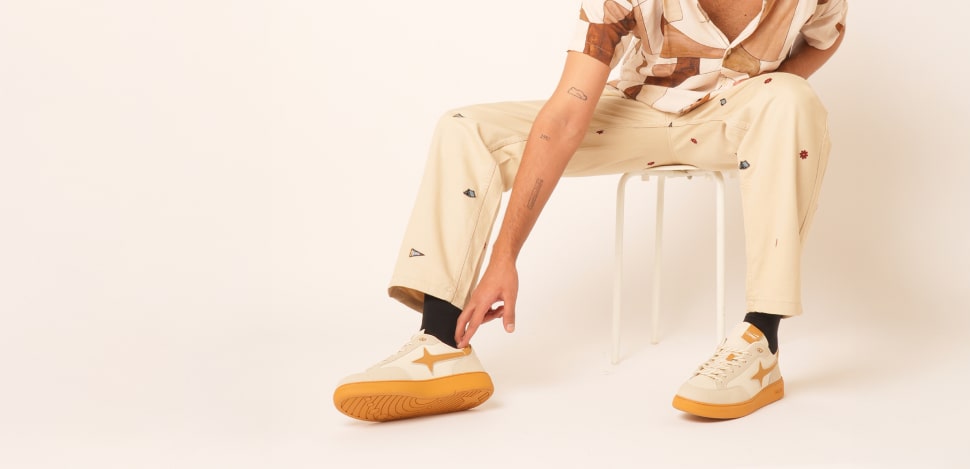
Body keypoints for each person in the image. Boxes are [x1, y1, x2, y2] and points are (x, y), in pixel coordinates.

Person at [332, 0, 847, 422]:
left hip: (729, 118)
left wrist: (765, 92)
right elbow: (565, 116)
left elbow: (827, 35)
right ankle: (442, 343)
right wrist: (505, 255)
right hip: (638, 111)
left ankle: (762, 342)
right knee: (466, 127)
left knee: (791, 97)